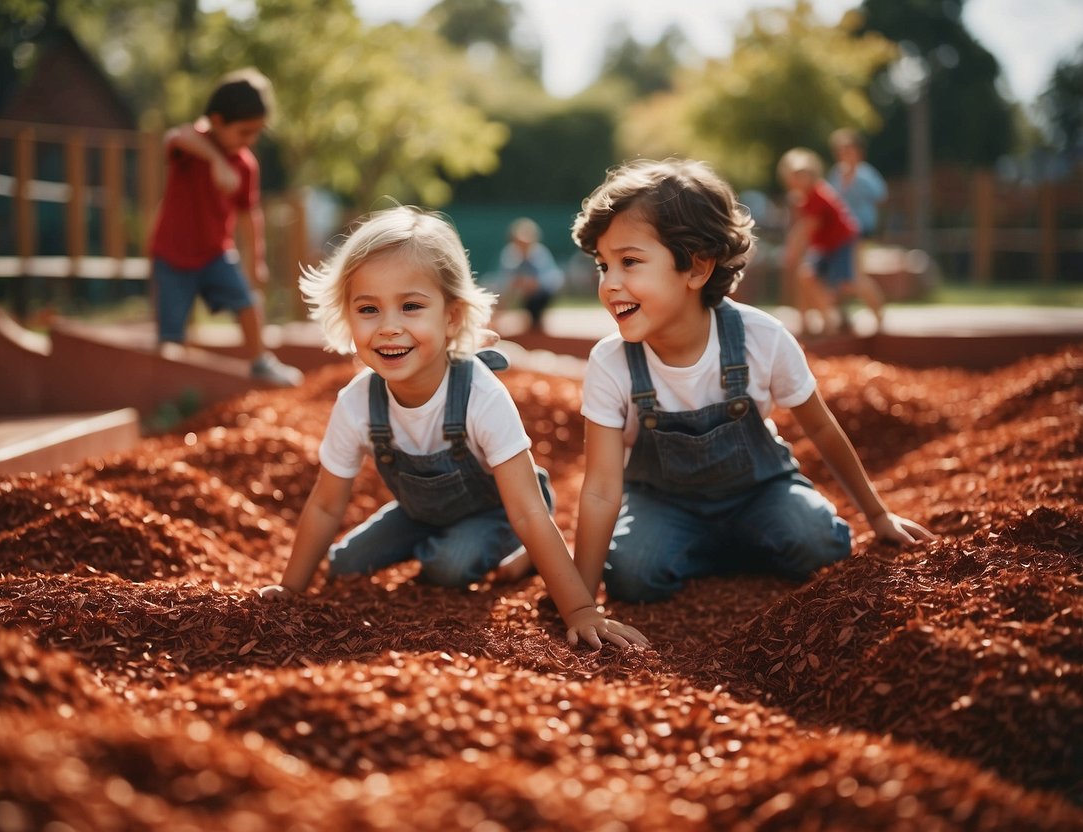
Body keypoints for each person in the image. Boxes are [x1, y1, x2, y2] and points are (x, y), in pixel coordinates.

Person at [257, 206, 648, 650]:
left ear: (451, 316)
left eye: (411, 307)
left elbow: (526, 511)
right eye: (368, 309)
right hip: (420, 514)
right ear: (347, 317)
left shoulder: (479, 395)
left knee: (450, 566)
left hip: (500, 508)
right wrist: (291, 590)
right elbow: (327, 505)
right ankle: (455, 544)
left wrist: (579, 610)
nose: (388, 327)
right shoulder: (357, 402)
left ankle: (519, 557)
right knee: (345, 564)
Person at [565, 158, 934, 604]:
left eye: (629, 261)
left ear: (697, 269)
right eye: (604, 265)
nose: (610, 283)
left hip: (758, 493)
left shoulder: (761, 337)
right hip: (664, 502)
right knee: (631, 575)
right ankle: (724, 548)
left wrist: (877, 515)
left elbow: (820, 427)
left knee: (819, 544)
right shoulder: (611, 362)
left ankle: (730, 542)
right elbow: (603, 487)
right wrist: (581, 601)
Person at [147, 67, 303, 385]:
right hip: (172, 256)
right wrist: (215, 160)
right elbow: (175, 137)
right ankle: (170, 381)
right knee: (171, 331)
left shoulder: (246, 164)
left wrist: (255, 261)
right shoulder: (193, 146)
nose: (251, 140)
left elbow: (249, 216)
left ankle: (261, 360)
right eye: (245, 132)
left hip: (215, 254)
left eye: (257, 132)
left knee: (246, 303)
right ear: (217, 122)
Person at [778, 147, 887, 336]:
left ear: (812, 174)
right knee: (806, 276)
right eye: (795, 175)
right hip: (824, 245)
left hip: (841, 241)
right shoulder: (803, 198)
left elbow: (807, 229)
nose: (798, 180)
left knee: (852, 281)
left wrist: (792, 249)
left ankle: (879, 316)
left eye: (803, 175)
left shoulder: (819, 195)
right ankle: (823, 321)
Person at [496, 217, 565, 331]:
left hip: (539, 294)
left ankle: (536, 326)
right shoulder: (509, 255)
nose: (523, 246)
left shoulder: (539, 254)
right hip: (518, 292)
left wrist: (531, 283)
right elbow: (505, 279)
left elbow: (550, 280)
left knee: (535, 307)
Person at [827, 128, 888, 239]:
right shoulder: (835, 173)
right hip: (840, 227)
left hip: (863, 228)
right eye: (840, 150)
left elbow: (881, 197)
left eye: (848, 149)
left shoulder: (866, 173)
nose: (844, 153)